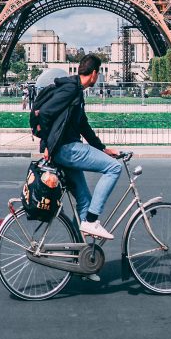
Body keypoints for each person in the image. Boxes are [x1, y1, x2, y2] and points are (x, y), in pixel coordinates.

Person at [38, 54, 121, 253]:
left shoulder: (76, 90)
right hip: (67, 149)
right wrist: (48, 145)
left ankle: (80, 257)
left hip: (65, 150)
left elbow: (82, 124)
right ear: (94, 74)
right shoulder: (71, 89)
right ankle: (92, 220)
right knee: (114, 168)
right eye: (98, 73)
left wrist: (101, 148)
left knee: (84, 201)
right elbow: (46, 113)